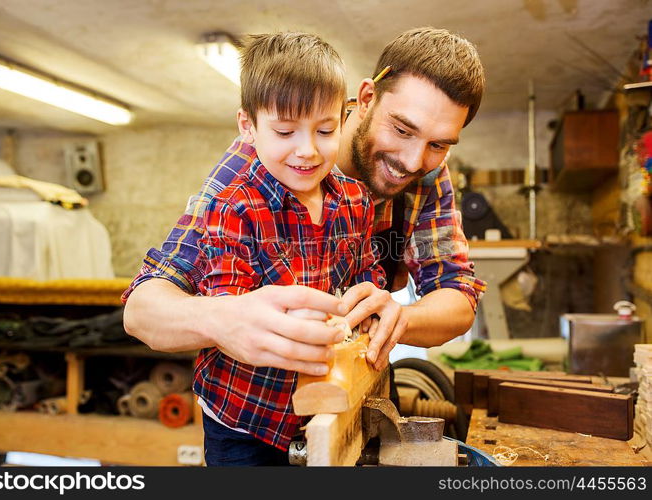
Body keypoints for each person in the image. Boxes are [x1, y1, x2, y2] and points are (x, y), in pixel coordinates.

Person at [123, 26, 486, 399]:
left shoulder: (428, 172)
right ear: (365, 99)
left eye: (438, 144)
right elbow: (142, 309)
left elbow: (457, 296)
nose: (413, 161)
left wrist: (402, 318)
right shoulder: (264, 160)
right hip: (264, 404)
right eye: (401, 129)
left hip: (359, 385)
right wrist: (222, 318)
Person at [191, 32, 385, 465]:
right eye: (284, 131)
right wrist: (297, 319)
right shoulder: (232, 208)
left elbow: (367, 273)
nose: (307, 150)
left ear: (345, 117)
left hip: (323, 405)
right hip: (244, 417)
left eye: (325, 129)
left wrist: (368, 299)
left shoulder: (355, 201)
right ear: (248, 126)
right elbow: (227, 313)